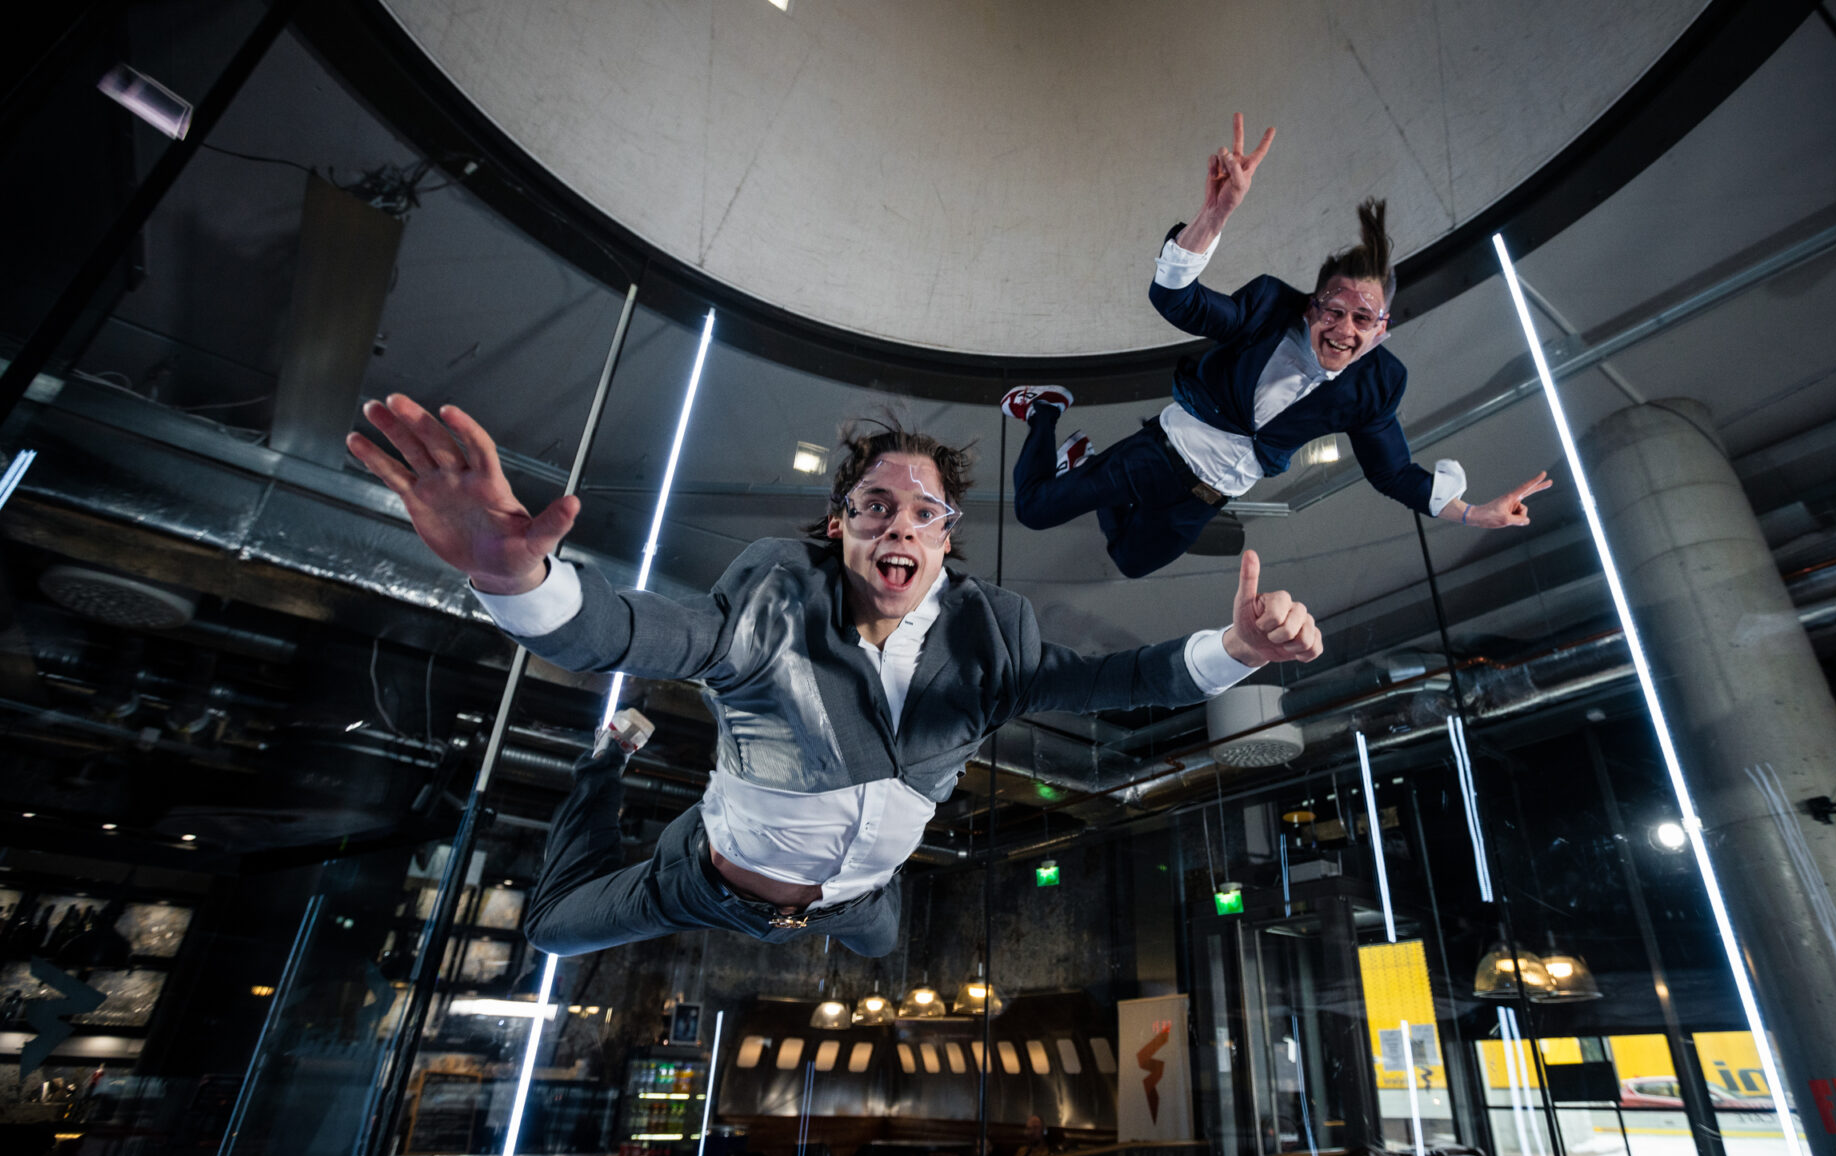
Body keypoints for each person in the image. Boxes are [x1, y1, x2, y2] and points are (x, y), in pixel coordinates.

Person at [346, 396, 1324, 957]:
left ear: (944, 540)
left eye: (924, 511)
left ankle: (704, 807)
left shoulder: (992, 637)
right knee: (555, 931)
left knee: (881, 938)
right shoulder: (768, 608)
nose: (899, 521)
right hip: (711, 883)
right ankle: (603, 765)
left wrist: (1234, 651)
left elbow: (1111, 679)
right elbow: (632, 631)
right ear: (837, 527)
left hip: (857, 892)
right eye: (873, 504)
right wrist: (516, 577)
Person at [1004, 114, 1552, 578]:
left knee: (1129, 559)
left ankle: (1083, 460)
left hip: (1205, 500)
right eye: (1333, 311)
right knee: (1033, 510)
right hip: (1159, 456)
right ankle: (1048, 414)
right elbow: (1175, 300)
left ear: (1382, 329)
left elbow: (1391, 471)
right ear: (1312, 304)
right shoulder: (1268, 310)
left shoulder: (1377, 383)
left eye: (1363, 319)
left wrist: (1472, 513)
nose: (1343, 330)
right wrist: (1215, 216)